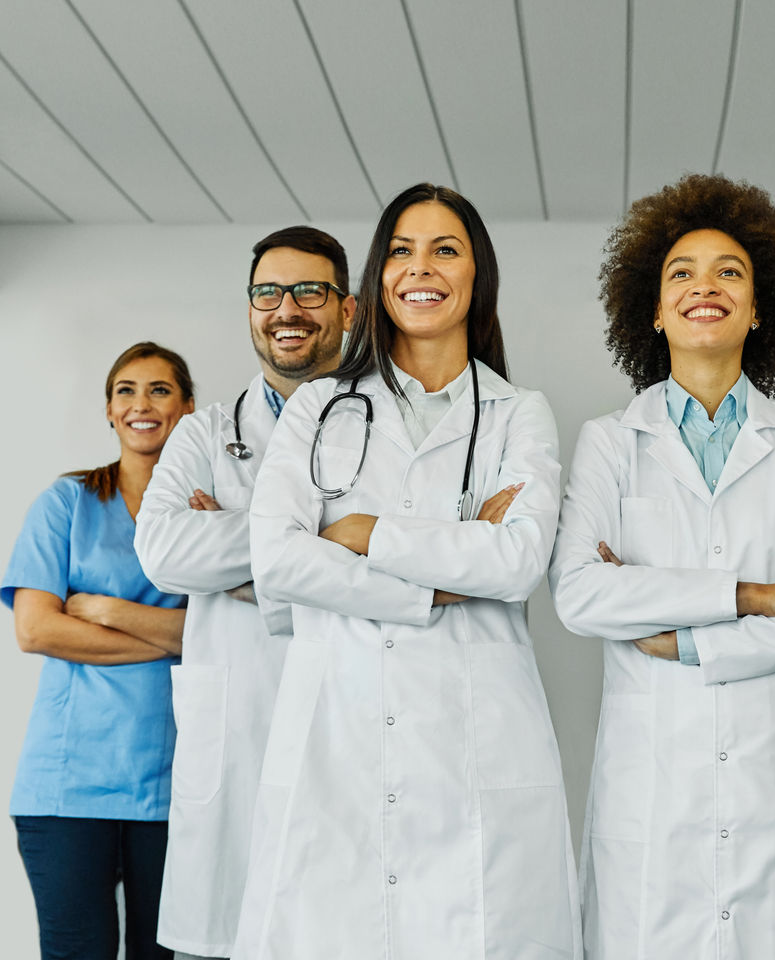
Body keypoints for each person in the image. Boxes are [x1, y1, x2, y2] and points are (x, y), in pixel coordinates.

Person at [232, 184, 579, 959]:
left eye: (444, 250)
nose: (420, 268)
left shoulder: (519, 412)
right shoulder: (319, 406)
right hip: (338, 730)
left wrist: (361, 533)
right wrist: (441, 580)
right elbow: (279, 559)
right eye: (400, 250)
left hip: (476, 741)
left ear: (477, 275)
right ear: (376, 278)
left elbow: (518, 561)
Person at [550, 173, 775, 959]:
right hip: (655, 792)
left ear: (763, 304)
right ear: (656, 311)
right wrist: (762, 596)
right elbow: (580, 594)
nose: (706, 286)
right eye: (682, 274)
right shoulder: (611, 441)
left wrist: (688, 637)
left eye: (729, 271)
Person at [135, 227, 354, 960]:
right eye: (268, 292)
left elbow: (401, 560)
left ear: (348, 310)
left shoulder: (381, 426)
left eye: (309, 291)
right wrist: (324, 539)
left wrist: (239, 551)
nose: (285, 308)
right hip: (236, 736)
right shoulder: (201, 433)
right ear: (250, 308)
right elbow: (164, 551)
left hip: (350, 722)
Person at [1, 341, 195, 960]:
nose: (143, 404)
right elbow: (36, 630)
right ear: (108, 411)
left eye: (160, 390)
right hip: (66, 787)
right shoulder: (67, 502)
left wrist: (108, 610)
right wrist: (169, 635)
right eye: (126, 391)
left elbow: (220, 636)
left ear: (188, 408)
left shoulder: (207, 514)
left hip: (174, 785)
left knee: (166, 954)